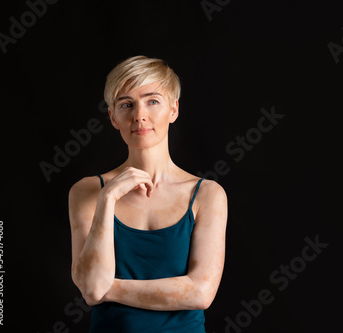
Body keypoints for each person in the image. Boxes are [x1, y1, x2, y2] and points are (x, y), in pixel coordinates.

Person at [68, 55, 228, 332]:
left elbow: (200, 293)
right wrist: (107, 200)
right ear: (113, 117)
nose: (139, 115)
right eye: (126, 104)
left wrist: (109, 288)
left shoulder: (207, 194)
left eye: (152, 101)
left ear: (174, 109)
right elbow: (92, 288)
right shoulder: (88, 191)